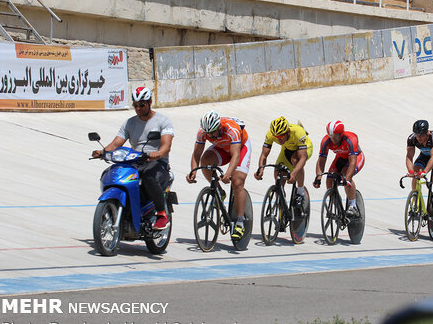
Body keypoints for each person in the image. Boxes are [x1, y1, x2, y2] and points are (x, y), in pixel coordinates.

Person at [92, 87, 174, 230]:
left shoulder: (163, 121)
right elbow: (117, 143)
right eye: (135, 105)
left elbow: (166, 146)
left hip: (157, 163)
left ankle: (161, 214)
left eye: (142, 104)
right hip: (135, 160)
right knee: (111, 173)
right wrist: (102, 151)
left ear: (150, 102)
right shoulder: (129, 123)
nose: (138, 108)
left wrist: (158, 153)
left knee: (149, 177)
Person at [186, 111, 251, 240]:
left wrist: (228, 174)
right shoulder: (202, 132)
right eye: (208, 133)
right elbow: (197, 154)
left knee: (237, 182)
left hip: (240, 148)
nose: (210, 136)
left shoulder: (232, 129)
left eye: (213, 133)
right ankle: (219, 191)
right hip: (222, 148)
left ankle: (239, 222)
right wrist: (193, 170)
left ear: (219, 127)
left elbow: (236, 156)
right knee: (205, 161)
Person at [255, 117, 313, 218]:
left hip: (305, 148)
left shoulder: (298, 132)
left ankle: (300, 192)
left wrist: (294, 173)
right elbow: (264, 154)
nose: (278, 139)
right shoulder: (270, 134)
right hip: (287, 149)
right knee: (278, 171)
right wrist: (261, 168)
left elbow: (302, 158)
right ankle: (282, 205)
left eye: (281, 136)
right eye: (276, 136)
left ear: (288, 131)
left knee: (296, 159)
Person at [313, 120, 365, 219]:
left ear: (341, 134)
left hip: (356, 157)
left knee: (345, 176)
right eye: (330, 136)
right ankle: (338, 207)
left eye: (335, 136)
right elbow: (321, 161)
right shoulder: (326, 141)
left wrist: (347, 180)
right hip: (341, 158)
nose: (332, 139)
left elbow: (352, 162)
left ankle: (352, 205)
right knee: (329, 179)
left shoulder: (351, 138)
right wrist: (318, 177)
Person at [405, 119, 433, 219]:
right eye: (417, 135)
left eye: (421, 135)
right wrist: (411, 171)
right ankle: (415, 205)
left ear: (427, 133)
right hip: (424, 156)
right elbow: (409, 157)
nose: (418, 138)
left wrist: (424, 172)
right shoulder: (412, 138)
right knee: (415, 175)